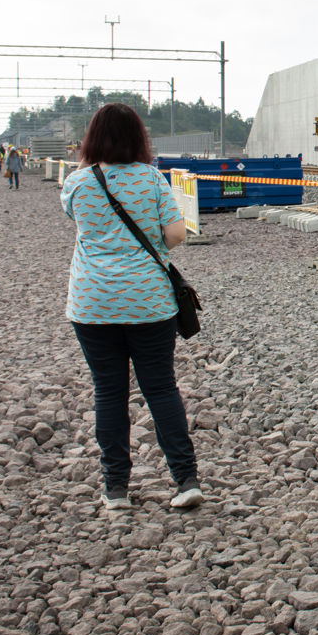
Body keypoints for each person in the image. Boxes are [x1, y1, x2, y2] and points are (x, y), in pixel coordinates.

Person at [62, 102, 202, 512]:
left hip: (92, 302)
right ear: (139, 137)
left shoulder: (78, 183)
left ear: (92, 138)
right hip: (148, 301)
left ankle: (116, 489)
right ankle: (185, 480)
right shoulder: (152, 180)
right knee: (160, 387)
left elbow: (78, 219)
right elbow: (176, 233)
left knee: (108, 392)